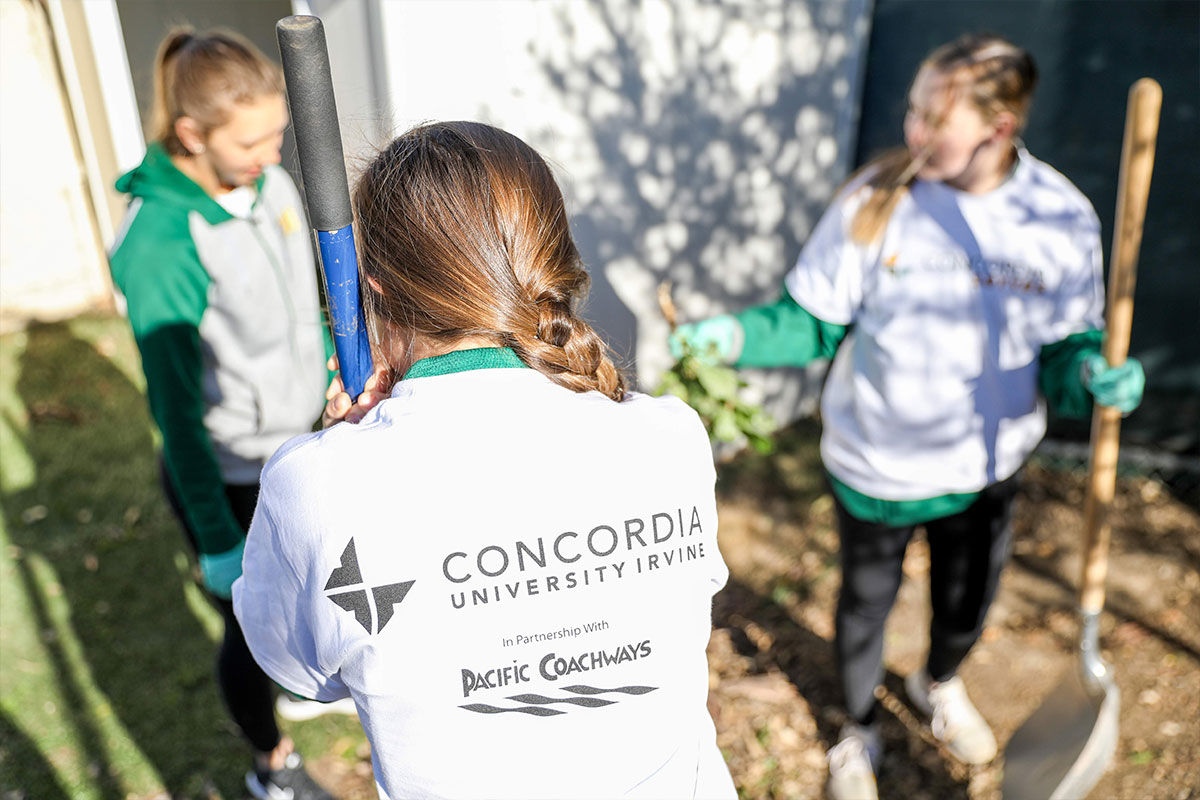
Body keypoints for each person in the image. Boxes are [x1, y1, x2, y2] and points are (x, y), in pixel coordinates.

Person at [668, 34, 1144, 800]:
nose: (912, 132)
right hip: (875, 463)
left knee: (967, 604)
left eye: (934, 118)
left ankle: (938, 684)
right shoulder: (875, 202)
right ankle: (856, 730)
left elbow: (1066, 349)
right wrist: (737, 334)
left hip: (985, 466)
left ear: (999, 128)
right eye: (913, 111)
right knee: (863, 609)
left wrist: (1091, 373)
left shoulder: (1058, 219)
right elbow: (812, 321)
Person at [232, 121, 736, 800]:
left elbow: (302, 673)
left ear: (373, 288)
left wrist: (341, 453)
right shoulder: (671, 435)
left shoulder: (315, 485)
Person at [108, 28, 343, 800]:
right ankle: (269, 765)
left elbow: (300, 304)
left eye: (278, 133)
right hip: (230, 474)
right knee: (249, 631)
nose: (274, 154)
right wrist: (215, 536)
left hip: (298, 447)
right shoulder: (162, 245)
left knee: (314, 591)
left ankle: (303, 683)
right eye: (253, 141)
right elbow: (176, 413)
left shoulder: (269, 185)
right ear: (191, 135)